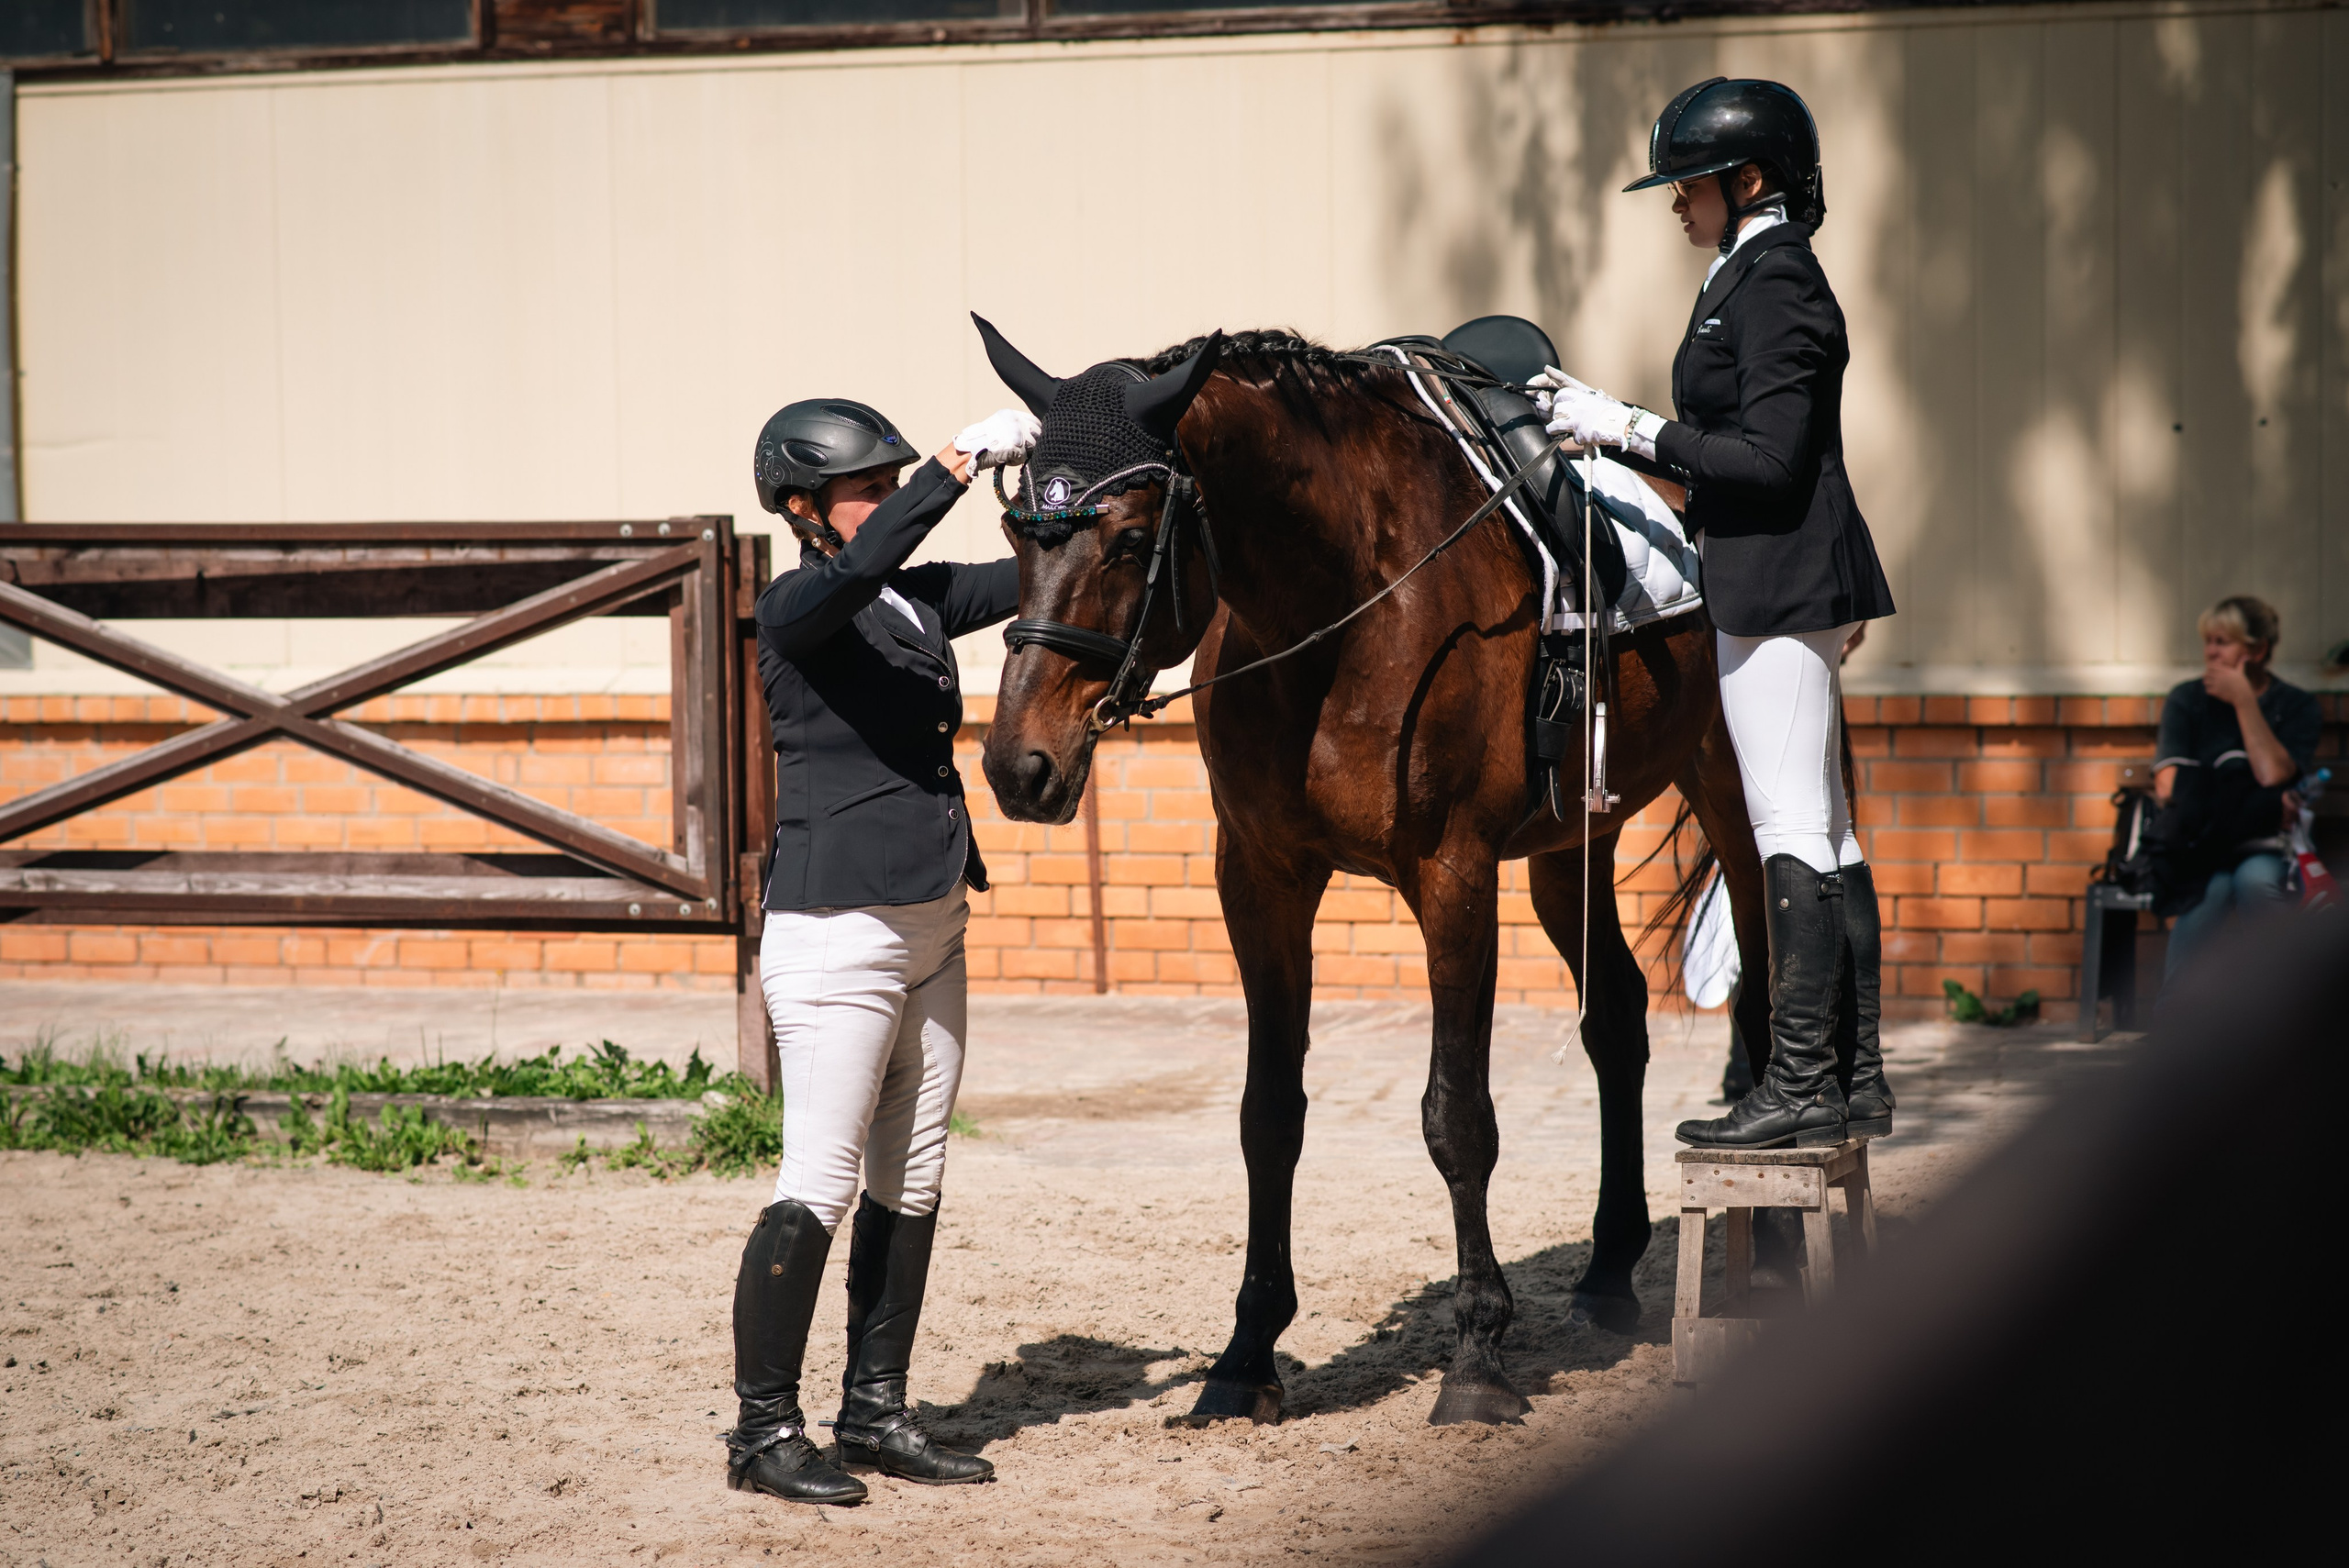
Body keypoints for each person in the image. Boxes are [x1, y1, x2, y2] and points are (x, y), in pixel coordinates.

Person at [1535, 77, 1898, 1148]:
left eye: (1688, 183)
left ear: (1747, 181)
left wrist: (1623, 427)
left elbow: (1771, 458)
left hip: (1779, 575)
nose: (1675, 203)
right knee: (1823, 830)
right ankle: (1852, 1075)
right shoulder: (1748, 272)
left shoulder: (1775, 281)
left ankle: (1796, 1085)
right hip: (1774, 571)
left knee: (1792, 825)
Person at [724, 395, 1038, 1506]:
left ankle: (874, 1409)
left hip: (933, 922)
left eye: (893, 481)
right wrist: (952, 466)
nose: (888, 497)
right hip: (836, 933)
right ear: (806, 507)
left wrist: (1066, 484)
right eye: (870, 485)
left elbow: (1037, 581)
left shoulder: (911, 595)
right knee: (818, 1180)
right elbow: (861, 569)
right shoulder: (802, 601)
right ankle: (762, 1433)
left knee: (913, 1177)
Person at [2154, 595, 2322, 984]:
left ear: (2258, 650)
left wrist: (2244, 700)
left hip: (2267, 845)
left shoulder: (2295, 706)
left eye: (2223, 642)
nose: (2211, 653)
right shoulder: (2187, 700)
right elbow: (2169, 786)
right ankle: (2173, 1022)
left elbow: (2273, 774)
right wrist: (2259, 805)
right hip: (2201, 845)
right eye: (2208, 641)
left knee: (2257, 882)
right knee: (2205, 892)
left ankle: (2283, 1014)